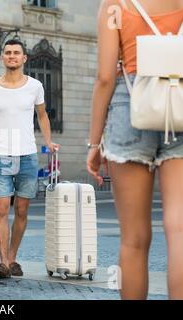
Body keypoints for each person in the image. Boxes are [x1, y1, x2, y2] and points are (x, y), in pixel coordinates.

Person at [87, 0, 183, 299]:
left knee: (133, 240)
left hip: (130, 105)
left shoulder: (115, 6)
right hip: (179, 102)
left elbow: (105, 77)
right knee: (179, 231)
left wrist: (94, 142)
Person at [0, 39, 59, 278]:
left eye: (16, 53)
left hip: (28, 155)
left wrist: (48, 141)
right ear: (2, 57)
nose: (12, 56)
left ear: (24, 58)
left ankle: (13, 257)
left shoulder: (35, 86)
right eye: (7, 53)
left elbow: (42, 116)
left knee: (22, 211)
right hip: (2, 156)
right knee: (2, 209)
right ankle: (3, 262)